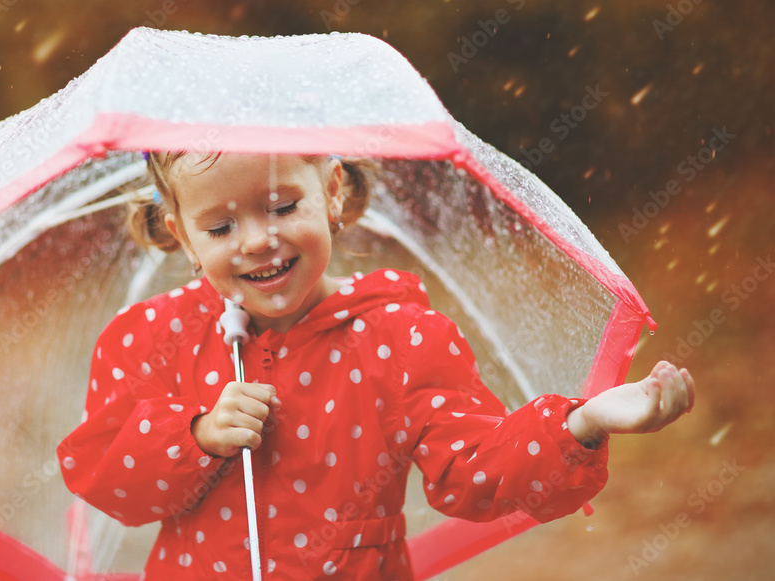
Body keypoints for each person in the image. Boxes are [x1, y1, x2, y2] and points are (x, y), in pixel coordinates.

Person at [57, 152, 694, 579]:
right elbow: (107, 476)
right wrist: (195, 436)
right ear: (181, 232)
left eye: (282, 207)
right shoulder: (152, 340)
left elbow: (476, 471)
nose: (257, 240)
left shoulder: (402, 340)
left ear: (331, 191)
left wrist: (582, 424)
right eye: (220, 227)